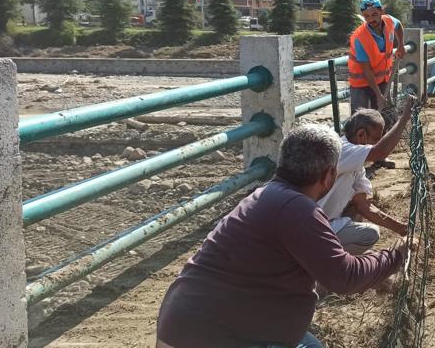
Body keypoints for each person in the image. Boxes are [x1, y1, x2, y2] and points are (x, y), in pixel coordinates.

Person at [156, 124, 407, 348]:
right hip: (216, 335)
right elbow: (344, 277)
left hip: (191, 323)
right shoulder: (298, 210)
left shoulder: (268, 195)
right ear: (329, 175)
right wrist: (396, 254)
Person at [319, 97, 415, 254]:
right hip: (310, 224)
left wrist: (402, 228)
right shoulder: (342, 150)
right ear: (361, 135)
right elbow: (380, 152)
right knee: (370, 234)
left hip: (320, 220)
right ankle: (328, 260)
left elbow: (364, 206)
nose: (377, 144)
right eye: (377, 140)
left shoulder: (356, 165)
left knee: (355, 210)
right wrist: (404, 119)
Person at [348, 0, 406, 114]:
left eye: (374, 14)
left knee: (386, 115)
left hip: (382, 79)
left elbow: (398, 25)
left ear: (381, 12)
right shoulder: (359, 38)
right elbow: (366, 70)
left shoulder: (389, 21)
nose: (371, 20)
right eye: (367, 16)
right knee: (361, 119)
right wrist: (379, 95)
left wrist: (401, 45)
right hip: (361, 84)